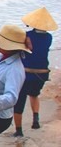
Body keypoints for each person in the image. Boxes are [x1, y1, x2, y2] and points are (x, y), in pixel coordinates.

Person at [12, 7, 57, 137]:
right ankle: (35, 119)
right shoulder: (49, 37)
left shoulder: (27, 36)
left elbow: (22, 49)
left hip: (27, 73)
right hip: (42, 73)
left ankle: (18, 131)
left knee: (19, 100)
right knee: (34, 95)